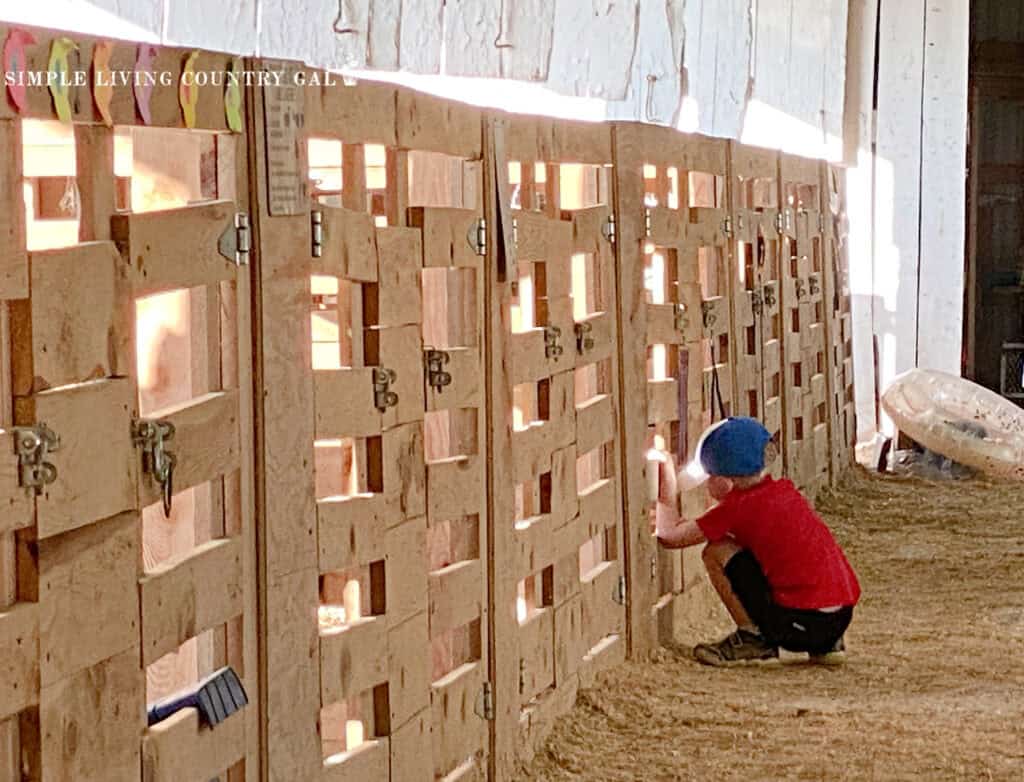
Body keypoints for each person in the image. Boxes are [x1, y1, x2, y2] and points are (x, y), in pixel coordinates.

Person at [653, 417, 860, 666]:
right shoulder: (785, 492)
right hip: (839, 619)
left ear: (724, 483)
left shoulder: (736, 509)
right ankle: (827, 646)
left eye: (708, 477)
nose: (706, 484)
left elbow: (669, 536)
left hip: (801, 625)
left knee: (716, 550)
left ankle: (752, 637)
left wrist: (666, 483)